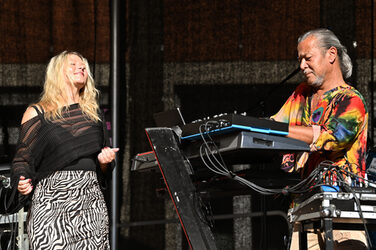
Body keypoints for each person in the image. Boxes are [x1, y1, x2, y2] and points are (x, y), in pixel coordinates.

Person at [10, 51, 118, 249]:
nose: (81, 67)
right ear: (57, 72)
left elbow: (102, 166)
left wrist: (104, 161)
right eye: (73, 64)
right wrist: (21, 180)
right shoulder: (37, 113)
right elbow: (22, 159)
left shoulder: (94, 114)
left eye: (83, 65)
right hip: (51, 204)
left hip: (90, 204)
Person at [271, 29, 368, 249]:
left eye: (308, 58)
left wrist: (281, 130)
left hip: (343, 210)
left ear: (331, 54)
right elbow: (273, 124)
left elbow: (332, 137)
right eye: (300, 60)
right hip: (304, 209)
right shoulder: (301, 94)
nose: (302, 66)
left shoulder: (351, 99)